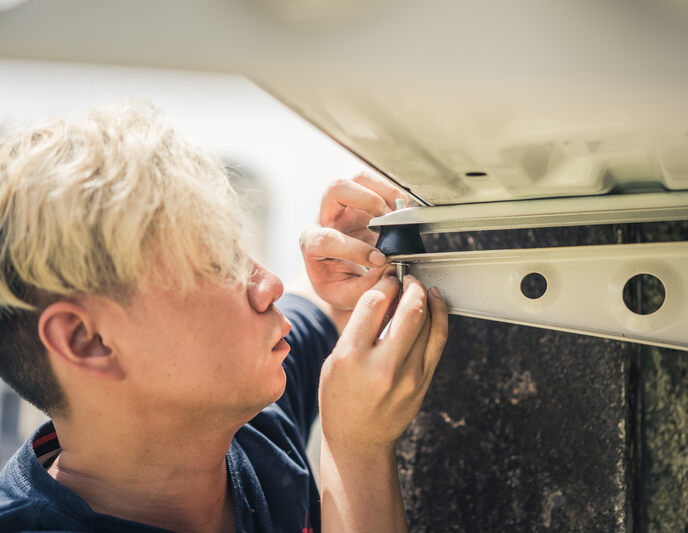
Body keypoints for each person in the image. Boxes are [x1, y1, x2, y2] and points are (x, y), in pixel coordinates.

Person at [0, 103, 448, 532]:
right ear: (88, 339)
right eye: (219, 266)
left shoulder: (245, 407)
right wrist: (358, 452)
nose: (268, 284)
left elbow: (311, 298)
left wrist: (347, 258)